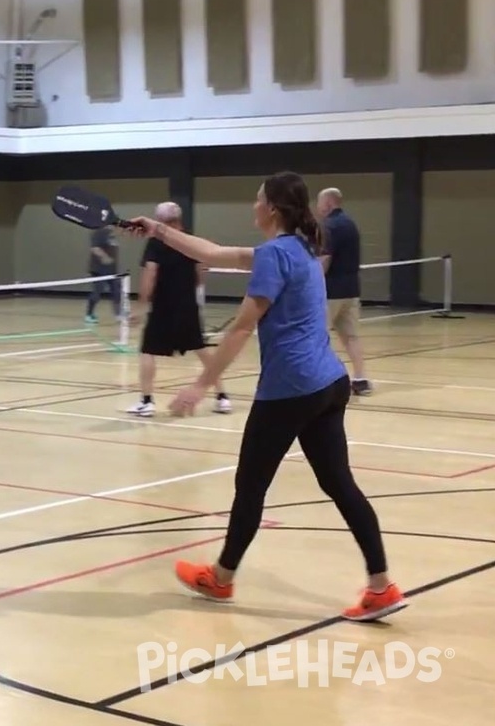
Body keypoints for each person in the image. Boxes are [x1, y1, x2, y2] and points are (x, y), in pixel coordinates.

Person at [121, 171, 405, 622]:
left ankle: (220, 577)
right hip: (329, 384)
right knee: (339, 484)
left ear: (271, 208)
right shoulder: (298, 249)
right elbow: (214, 253)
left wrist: (201, 383)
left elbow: (240, 328)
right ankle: (380, 586)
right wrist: (157, 230)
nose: (253, 206)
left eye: (257, 200)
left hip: (289, 389)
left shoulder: (275, 254)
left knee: (250, 488)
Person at [127, 202, 231, 417]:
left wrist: (140, 305)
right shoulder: (190, 241)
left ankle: (147, 402)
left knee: (148, 351)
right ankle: (222, 397)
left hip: (163, 307)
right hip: (187, 305)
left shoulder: (156, 243)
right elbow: (202, 268)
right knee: (201, 350)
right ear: (179, 218)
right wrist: (191, 290)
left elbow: (150, 274)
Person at [316, 187, 371, 396]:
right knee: (351, 337)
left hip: (331, 292)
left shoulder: (329, 226)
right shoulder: (351, 224)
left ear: (329, 203)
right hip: (351, 290)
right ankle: (360, 379)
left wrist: (312, 283)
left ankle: (322, 381)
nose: (318, 207)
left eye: (320, 203)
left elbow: (324, 259)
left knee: (317, 337)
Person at [85, 225, 122, 324]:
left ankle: (118, 315)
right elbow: (94, 248)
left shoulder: (112, 236)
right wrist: (104, 257)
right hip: (99, 270)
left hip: (112, 271)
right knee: (97, 292)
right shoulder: (100, 232)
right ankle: (89, 314)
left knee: (117, 292)